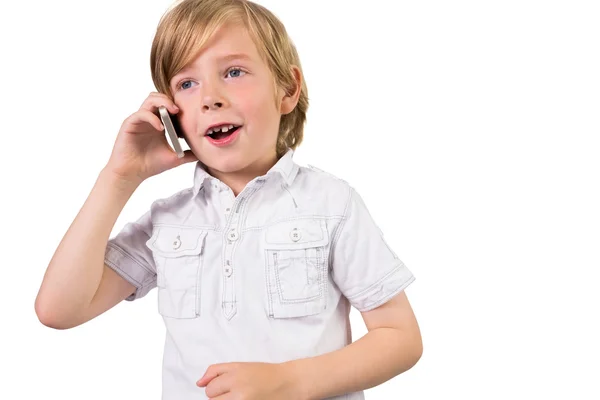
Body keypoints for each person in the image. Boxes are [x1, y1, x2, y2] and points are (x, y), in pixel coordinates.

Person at [35, 0, 422, 398]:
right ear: (171, 114)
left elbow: (400, 337)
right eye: (187, 83)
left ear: (287, 89)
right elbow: (59, 310)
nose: (210, 97)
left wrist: (287, 382)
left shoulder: (331, 205)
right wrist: (118, 177)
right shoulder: (169, 221)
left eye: (233, 72)